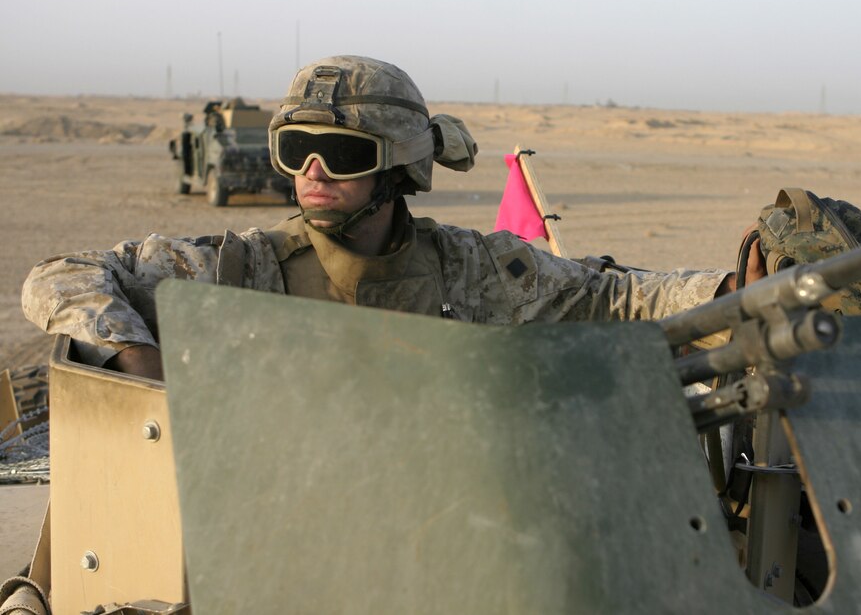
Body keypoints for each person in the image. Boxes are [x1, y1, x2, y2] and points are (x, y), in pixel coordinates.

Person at [22, 55, 764, 380]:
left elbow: (611, 296)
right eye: (298, 149)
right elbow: (62, 276)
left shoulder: (470, 269)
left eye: (338, 152)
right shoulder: (235, 267)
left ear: (398, 167)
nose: (312, 169)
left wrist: (741, 286)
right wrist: (139, 366)